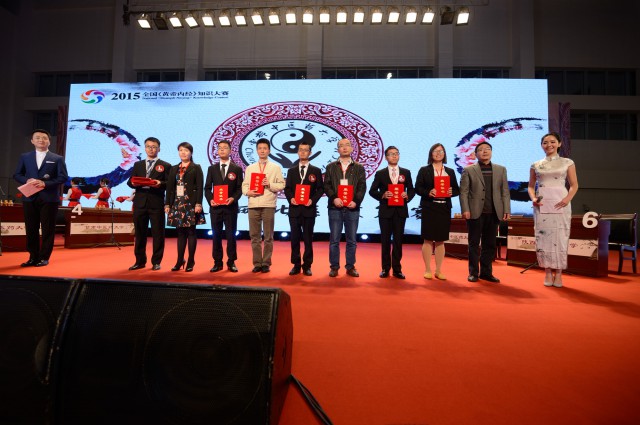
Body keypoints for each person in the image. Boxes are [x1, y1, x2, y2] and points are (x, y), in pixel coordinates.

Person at [528, 132, 579, 288]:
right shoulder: (536, 164)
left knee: (560, 237)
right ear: (541, 145)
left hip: (561, 204)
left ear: (559, 143)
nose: (549, 145)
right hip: (542, 205)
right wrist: (533, 198)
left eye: (552, 141)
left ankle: (559, 273)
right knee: (543, 237)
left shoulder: (567, 162)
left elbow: (574, 185)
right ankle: (548, 272)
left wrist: (567, 199)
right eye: (545, 142)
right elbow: (530, 186)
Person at [13, 129, 68, 267]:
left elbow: (63, 177)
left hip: (49, 198)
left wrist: (45, 183)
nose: (41, 140)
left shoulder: (57, 158)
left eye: (44, 138)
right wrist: (26, 180)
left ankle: (44, 257)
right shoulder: (25, 157)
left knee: (48, 229)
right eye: (37, 138)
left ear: (49, 141)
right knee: (31, 228)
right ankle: (33, 257)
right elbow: (17, 174)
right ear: (32, 141)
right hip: (29, 197)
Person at [459, 141, 511, 283]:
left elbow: (505, 191)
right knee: (474, 243)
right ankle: (473, 273)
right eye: (481, 149)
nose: (485, 151)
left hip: (494, 212)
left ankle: (486, 273)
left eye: (487, 149)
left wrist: (506, 209)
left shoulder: (501, 169)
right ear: (475, 154)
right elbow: (463, 192)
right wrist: (465, 209)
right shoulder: (468, 170)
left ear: (491, 152)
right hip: (475, 212)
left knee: (490, 244)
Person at [368, 146, 415, 279]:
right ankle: (385, 268)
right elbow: (372, 191)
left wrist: (408, 196)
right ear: (386, 157)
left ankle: (397, 269)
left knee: (398, 241)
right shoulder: (380, 173)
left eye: (396, 154)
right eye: (391, 154)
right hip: (385, 211)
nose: (394, 156)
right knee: (385, 241)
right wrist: (382, 195)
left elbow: (412, 189)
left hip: (400, 211)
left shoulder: (406, 172)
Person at [415, 143, 460, 280]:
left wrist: (452, 192)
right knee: (428, 239)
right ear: (431, 153)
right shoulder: (424, 170)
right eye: (435, 151)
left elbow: (456, 189)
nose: (438, 153)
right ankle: (428, 269)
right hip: (429, 207)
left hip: (444, 208)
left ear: (444, 154)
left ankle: (438, 270)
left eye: (441, 151)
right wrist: (428, 192)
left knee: (441, 240)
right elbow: (418, 188)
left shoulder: (450, 171)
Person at [324, 138, 367, 278]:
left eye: (347, 145)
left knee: (352, 240)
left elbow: (362, 186)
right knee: (334, 240)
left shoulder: (359, 167)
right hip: (335, 207)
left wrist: (356, 201)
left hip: (352, 208)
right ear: (338, 149)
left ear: (352, 148)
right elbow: (327, 185)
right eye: (341, 146)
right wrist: (334, 198)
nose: (344, 148)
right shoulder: (331, 166)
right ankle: (334, 267)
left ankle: (350, 267)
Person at [127, 136, 171, 271]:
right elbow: (130, 181)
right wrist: (133, 184)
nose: (151, 149)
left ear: (159, 149)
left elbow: (170, 185)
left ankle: (156, 262)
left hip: (156, 203)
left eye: (154, 147)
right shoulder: (138, 164)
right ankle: (139, 261)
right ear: (145, 148)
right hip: (140, 203)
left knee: (158, 234)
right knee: (140, 234)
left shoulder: (165, 165)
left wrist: (160, 183)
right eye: (148, 147)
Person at [241, 138, 285, 273]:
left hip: (268, 204)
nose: (262, 151)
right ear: (256, 150)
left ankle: (266, 263)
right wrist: (247, 192)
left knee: (268, 236)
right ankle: (257, 263)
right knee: (254, 236)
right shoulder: (250, 168)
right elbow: (244, 185)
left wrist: (269, 184)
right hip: (253, 204)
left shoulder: (275, 167)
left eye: (265, 148)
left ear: (269, 151)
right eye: (260, 148)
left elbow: (282, 184)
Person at [284, 141, 324, 276]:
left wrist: (312, 200)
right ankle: (296, 265)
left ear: (310, 153)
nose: (302, 152)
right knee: (294, 239)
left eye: (305, 150)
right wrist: (291, 198)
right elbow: (287, 189)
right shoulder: (291, 171)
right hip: (294, 210)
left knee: (308, 239)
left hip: (309, 210)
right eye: (300, 149)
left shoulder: (316, 171)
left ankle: (307, 265)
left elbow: (320, 189)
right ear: (297, 152)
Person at [204, 140, 244, 273]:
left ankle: (231, 261)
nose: (222, 150)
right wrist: (211, 200)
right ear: (217, 151)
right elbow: (207, 188)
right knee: (216, 236)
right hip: (215, 208)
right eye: (219, 148)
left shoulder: (237, 169)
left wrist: (233, 198)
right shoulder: (212, 169)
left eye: (225, 148)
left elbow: (239, 188)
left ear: (230, 151)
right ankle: (217, 262)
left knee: (231, 236)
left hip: (230, 208)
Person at [165, 142, 204, 272]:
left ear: (191, 153)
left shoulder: (196, 167)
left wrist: (198, 203)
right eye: (181, 150)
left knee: (191, 232)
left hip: (191, 203)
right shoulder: (174, 168)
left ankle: (191, 260)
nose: (183, 153)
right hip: (177, 203)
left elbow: (200, 187)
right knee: (180, 233)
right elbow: (169, 188)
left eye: (186, 150)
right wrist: (167, 204)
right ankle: (180, 260)